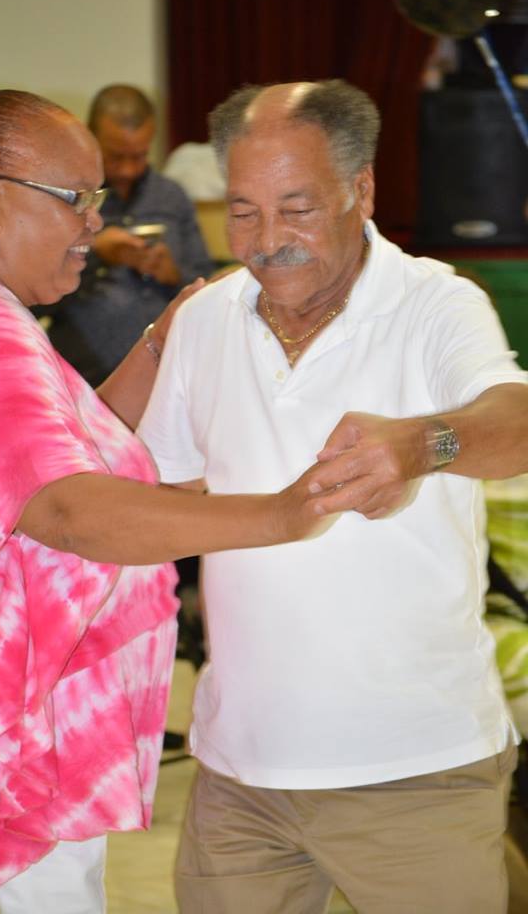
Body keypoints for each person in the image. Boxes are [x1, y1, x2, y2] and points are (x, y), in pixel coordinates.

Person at [0, 81, 326, 914]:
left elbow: (57, 445)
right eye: (75, 199)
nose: (95, 222)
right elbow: (66, 507)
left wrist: (161, 342)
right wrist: (281, 514)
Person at [137, 79, 528, 914]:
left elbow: (517, 422)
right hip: (240, 775)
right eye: (244, 212)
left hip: (415, 771)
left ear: (363, 190)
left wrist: (424, 443)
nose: (268, 240)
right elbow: (164, 488)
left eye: (298, 209)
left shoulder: (434, 302)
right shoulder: (206, 319)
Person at [45, 84, 214, 386]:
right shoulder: (65, 197)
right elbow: (36, 298)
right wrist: (96, 254)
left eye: (139, 156)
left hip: (168, 375)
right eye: (116, 156)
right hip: (84, 379)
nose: (127, 170)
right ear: (90, 138)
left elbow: (208, 286)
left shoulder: (171, 196)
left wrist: (173, 274)